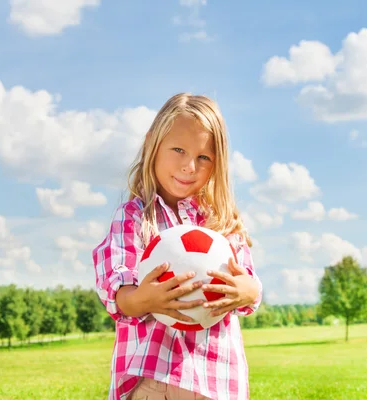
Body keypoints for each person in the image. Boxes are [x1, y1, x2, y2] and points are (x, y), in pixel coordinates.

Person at [92, 92, 262, 400]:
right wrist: (146, 298)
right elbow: (118, 294)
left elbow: (251, 289)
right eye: (178, 150)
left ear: (217, 163)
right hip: (153, 379)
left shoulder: (222, 223)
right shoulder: (133, 218)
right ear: (152, 144)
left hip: (216, 380)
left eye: (204, 157)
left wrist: (245, 291)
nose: (189, 166)